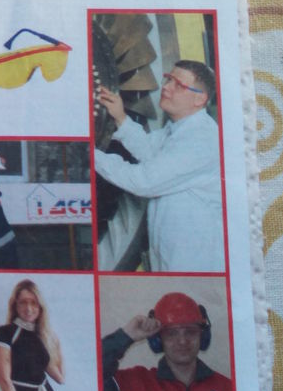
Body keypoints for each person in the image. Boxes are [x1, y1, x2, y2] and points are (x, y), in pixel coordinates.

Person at [94, 60, 223, 272]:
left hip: (193, 263)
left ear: (200, 99)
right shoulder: (178, 130)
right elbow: (149, 151)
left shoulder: (201, 139)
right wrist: (121, 117)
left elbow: (144, 181)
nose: (166, 87)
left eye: (178, 85)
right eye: (168, 79)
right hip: (171, 257)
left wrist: (90, 155)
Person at [102, 291, 233, 391]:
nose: (182, 341)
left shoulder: (227, 388)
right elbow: (92, 373)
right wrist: (126, 336)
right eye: (171, 333)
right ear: (158, 339)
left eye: (190, 331)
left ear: (202, 336)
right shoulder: (133, 384)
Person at [0, 279, 65, 391]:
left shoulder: (41, 335)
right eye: (23, 302)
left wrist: (56, 345)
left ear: (40, 306)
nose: (29, 309)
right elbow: (4, 380)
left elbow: (60, 378)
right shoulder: (5, 333)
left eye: (33, 303)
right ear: (15, 306)